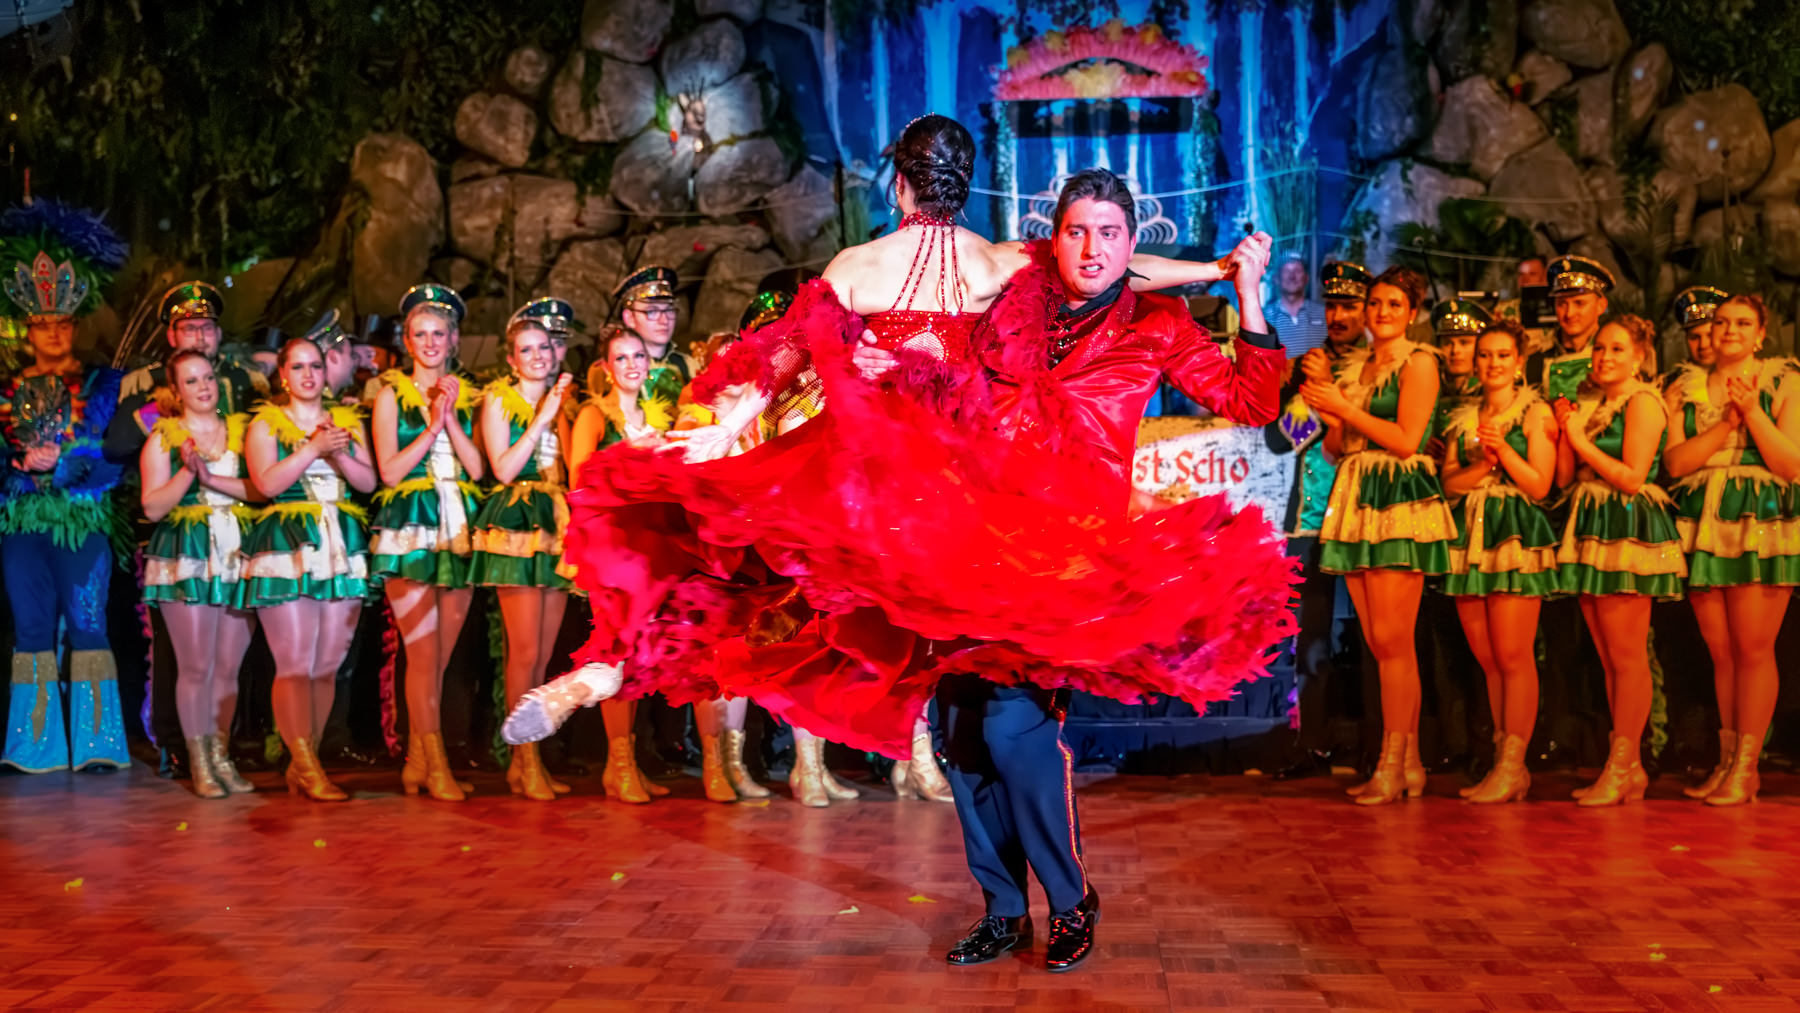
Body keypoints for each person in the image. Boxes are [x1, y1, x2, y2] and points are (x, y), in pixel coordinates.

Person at [517, 120, 1288, 972]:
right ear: (1054, 235)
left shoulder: (1145, 321)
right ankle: (1003, 908)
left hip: (1064, 551)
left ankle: (1070, 901)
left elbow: (1241, 386)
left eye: (1109, 234)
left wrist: (1232, 282)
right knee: (957, 731)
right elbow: (812, 341)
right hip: (969, 534)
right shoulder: (1017, 277)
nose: (1092, 249)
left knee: (1014, 728)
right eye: (1077, 232)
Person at [1299, 266, 1455, 805]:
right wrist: (1331, 414)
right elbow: (1336, 449)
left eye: (1393, 304)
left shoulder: (1420, 362)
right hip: (1357, 492)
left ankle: (1394, 760)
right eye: (1375, 303)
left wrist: (1345, 408)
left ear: (1412, 312)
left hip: (1397, 495)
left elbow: (1408, 439)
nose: (1381, 312)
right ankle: (1407, 764)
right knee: (1379, 642)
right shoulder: (1358, 366)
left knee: (1393, 641)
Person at [0, 201, 130, 773]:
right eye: (42, 324)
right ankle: (34, 747)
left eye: (62, 323)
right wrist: (19, 462)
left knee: (88, 623)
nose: (53, 332)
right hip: (21, 521)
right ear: (28, 331)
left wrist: (65, 461)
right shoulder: (4, 390)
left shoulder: (105, 386)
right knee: (30, 627)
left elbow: (116, 454)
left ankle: (99, 745)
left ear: (75, 327)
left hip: (83, 520)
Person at [1662, 295, 1800, 806]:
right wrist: (1725, 425)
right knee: (1721, 650)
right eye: (1722, 322)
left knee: (1753, 648)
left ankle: (1748, 766)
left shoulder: (1784, 383)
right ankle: (1727, 760)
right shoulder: (1684, 387)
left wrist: (1751, 413)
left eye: (1743, 323)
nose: (1729, 330)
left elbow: (1790, 463)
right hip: (1703, 517)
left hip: (1758, 515)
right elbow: (1676, 463)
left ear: (1761, 334)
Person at [1551, 315, 1686, 807]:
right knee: (1609, 656)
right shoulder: (1596, 405)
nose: (1604, 357)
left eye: (1616, 349)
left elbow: (1631, 476)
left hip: (1626, 522)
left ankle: (1626, 762)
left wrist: (1581, 441)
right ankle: (1625, 765)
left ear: (1639, 356)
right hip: (1592, 521)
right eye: (1600, 349)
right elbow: (1565, 478)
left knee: (1627, 656)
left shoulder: (1643, 401)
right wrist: (1565, 431)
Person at [242, 337, 378, 801]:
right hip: (288, 541)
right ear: (283, 374)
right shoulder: (265, 423)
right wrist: (312, 448)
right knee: (295, 663)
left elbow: (368, 481)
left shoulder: (347, 422)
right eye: (297, 367)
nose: (307, 375)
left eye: (315, 366)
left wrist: (337, 452)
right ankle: (303, 763)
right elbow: (266, 483)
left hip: (340, 541)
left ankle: (307, 762)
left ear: (325, 372)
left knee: (327, 665)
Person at [369, 284, 485, 802]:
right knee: (420, 654)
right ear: (408, 341)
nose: (431, 342)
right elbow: (390, 471)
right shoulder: (389, 395)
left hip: (458, 525)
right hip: (411, 524)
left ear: (454, 339)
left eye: (440, 333)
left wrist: (452, 417)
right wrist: (432, 425)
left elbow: (477, 468)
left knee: (440, 658)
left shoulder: (470, 396)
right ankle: (433, 763)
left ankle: (418, 761)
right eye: (421, 334)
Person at [1439, 320, 1559, 804]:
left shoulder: (1534, 411)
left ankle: (1514, 762)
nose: (1493, 363)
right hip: (1471, 533)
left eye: (1503, 355)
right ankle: (1501, 760)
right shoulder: (1464, 416)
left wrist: (1503, 450)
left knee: (1513, 654)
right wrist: (1482, 466)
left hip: (1513, 530)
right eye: (1485, 355)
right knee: (1488, 657)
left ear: (1519, 361)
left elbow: (1540, 484)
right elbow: (1450, 482)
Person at [139, 349, 263, 797]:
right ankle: (199, 762)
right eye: (191, 381)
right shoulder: (164, 439)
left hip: (237, 549)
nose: (203, 387)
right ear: (176, 391)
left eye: (208, 377)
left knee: (228, 667)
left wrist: (214, 479)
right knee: (196, 666)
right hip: (187, 551)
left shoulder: (243, 431)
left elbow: (260, 488)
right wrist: (190, 474)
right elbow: (152, 506)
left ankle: (221, 754)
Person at [567, 326, 682, 804]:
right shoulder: (595, 415)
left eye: (638, 356)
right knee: (613, 654)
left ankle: (627, 763)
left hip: (644, 552)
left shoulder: (656, 417)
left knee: (636, 659)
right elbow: (578, 481)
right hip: (608, 549)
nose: (632, 365)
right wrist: (629, 457)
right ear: (606, 368)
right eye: (622, 358)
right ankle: (617, 765)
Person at [1267, 261, 1369, 776]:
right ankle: (1313, 745)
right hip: (1309, 520)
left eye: (1349, 306)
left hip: (1371, 518)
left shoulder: (1383, 367)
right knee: (1310, 641)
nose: (1339, 315)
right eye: (1332, 306)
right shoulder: (1308, 365)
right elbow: (1276, 440)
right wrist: (1316, 399)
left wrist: (1340, 401)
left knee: (1376, 639)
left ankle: (1380, 747)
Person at [469, 316, 574, 802]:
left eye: (544, 348)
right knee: (524, 651)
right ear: (512, 359)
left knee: (545, 655)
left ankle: (529, 759)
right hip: (516, 519)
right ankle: (523, 758)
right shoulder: (499, 399)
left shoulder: (564, 400)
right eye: (527, 349)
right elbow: (504, 468)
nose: (537, 356)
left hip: (557, 520)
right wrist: (542, 418)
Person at [107, 280, 268, 459]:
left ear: (218, 334)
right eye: (190, 329)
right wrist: (160, 409)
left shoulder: (244, 377)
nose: (200, 337)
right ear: (172, 337)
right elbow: (116, 447)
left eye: (207, 328)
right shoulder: (149, 381)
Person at [592, 266, 691, 407]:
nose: (663, 320)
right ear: (630, 317)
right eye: (651, 312)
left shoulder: (689, 364)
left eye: (669, 310)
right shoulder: (608, 370)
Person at [1663, 287, 1727, 391]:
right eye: (1694, 337)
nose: (1703, 345)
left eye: (1710, 335)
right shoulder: (1669, 386)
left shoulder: (1749, 379)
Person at [1269, 253, 1327, 359]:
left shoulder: (1324, 314)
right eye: (1286, 271)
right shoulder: (1265, 317)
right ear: (1277, 279)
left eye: (1297, 271)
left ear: (1306, 278)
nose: (1292, 276)